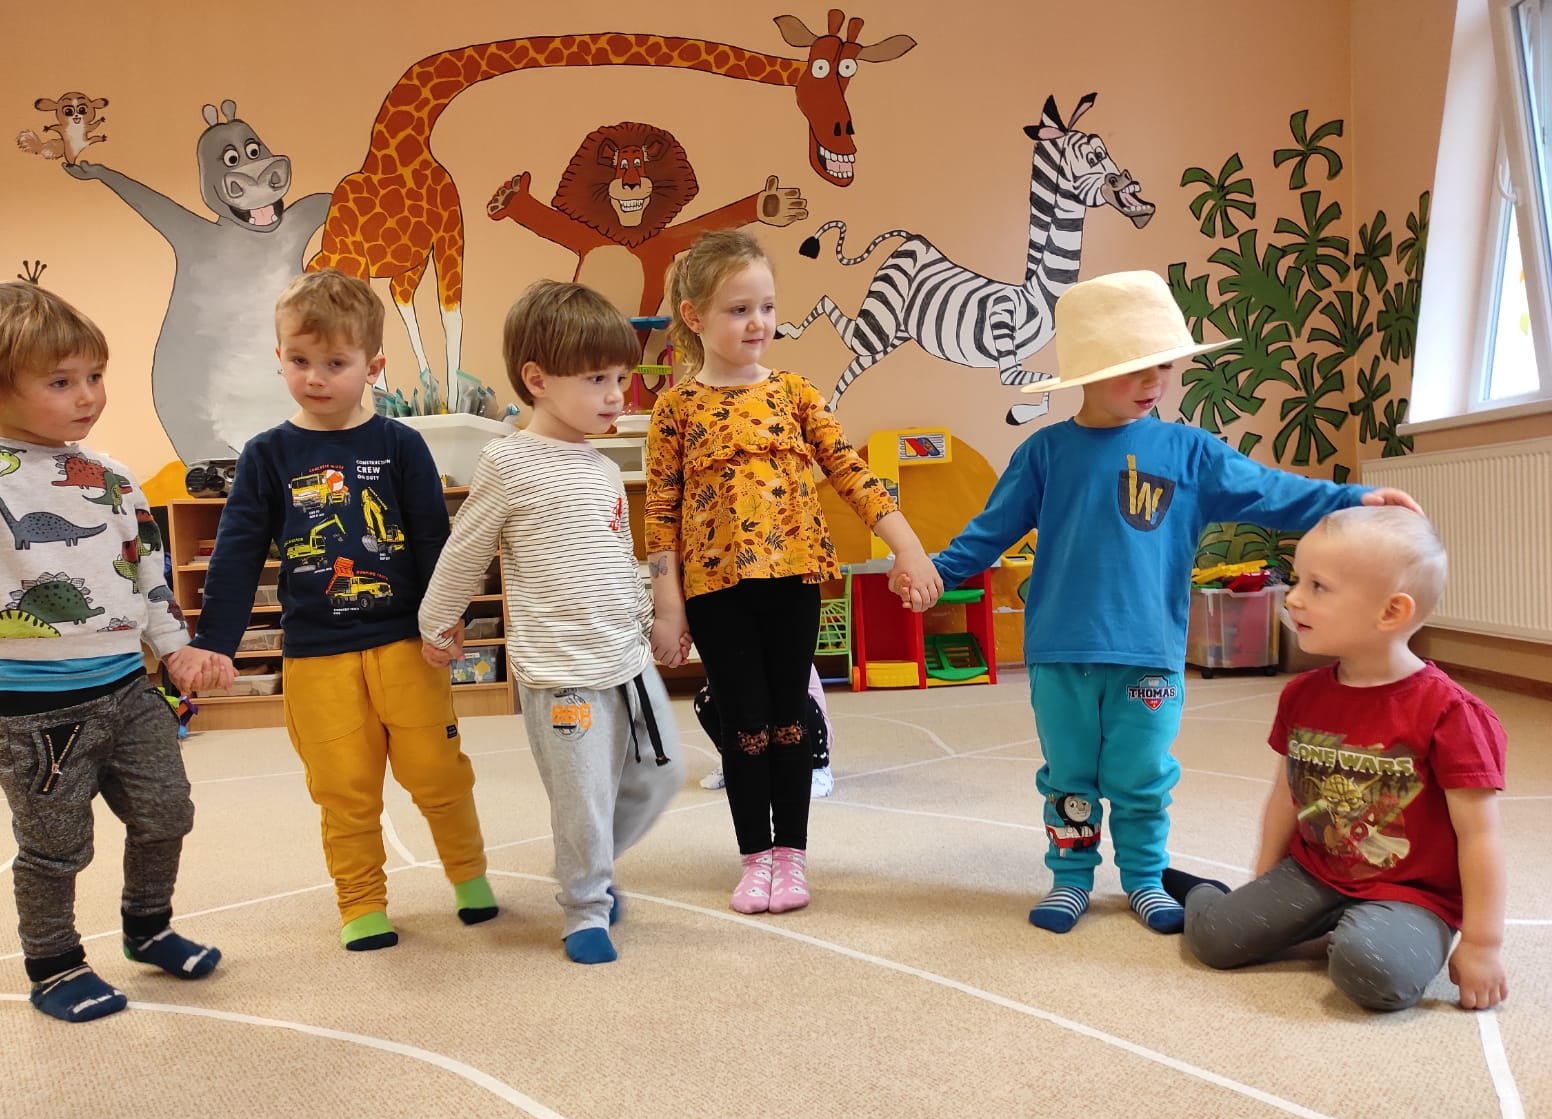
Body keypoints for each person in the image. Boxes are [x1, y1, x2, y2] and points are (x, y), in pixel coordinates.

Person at [919, 270, 1423, 935]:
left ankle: (1144, 879)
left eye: (1162, 364)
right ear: (1090, 373)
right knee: (1069, 775)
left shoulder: (1188, 451)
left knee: (1142, 775)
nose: (1154, 380)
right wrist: (934, 574)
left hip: (1150, 652)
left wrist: (1352, 498)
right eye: (1135, 367)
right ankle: (1070, 878)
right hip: (1061, 653)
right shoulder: (1044, 452)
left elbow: (1270, 491)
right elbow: (991, 531)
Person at [192, 269, 496, 952]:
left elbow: (433, 541)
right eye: (300, 361)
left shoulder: (400, 444)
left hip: (406, 644)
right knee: (343, 786)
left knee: (437, 771)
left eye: (336, 363)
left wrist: (445, 619)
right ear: (280, 357)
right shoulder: (266, 455)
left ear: (373, 366)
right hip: (316, 655)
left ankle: (469, 873)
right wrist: (215, 640)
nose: (316, 377)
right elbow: (237, 553)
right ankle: (361, 903)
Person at [0, 282, 230, 1022]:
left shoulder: (110, 475)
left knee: (167, 811)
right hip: (33, 705)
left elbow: (145, 571)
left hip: (128, 687)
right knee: (55, 846)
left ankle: (148, 927)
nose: (88, 396)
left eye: (95, 376)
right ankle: (54, 965)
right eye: (60, 381)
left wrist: (175, 650)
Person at [646, 229, 941, 915]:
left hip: (795, 579)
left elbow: (852, 473)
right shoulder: (677, 408)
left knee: (789, 719)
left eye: (767, 307)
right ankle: (755, 857)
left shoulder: (794, 392)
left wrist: (908, 547)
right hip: (717, 591)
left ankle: (792, 856)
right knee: (743, 724)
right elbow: (660, 515)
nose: (758, 323)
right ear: (694, 316)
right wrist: (668, 607)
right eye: (738, 309)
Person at [419, 280, 683, 965]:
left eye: (621, 378)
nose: (616, 395)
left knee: (660, 774)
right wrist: (438, 621)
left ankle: (585, 861)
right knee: (581, 797)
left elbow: (617, 557)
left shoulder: (601, 467)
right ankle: (586, 905)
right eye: (597, 379)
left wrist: (651, 618)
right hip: (561, 672)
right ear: (537, 380)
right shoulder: (507, 462)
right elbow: (465, 549)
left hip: (625, 658)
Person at [1165, 507, 1508, 1011]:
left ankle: (1352, 932)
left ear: (1390, 612)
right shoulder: (1302, 694)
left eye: (1318, 587)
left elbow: (1480, 836)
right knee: (1214, 941)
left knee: (1375, 973)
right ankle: (1205, 893)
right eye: (1297, 580)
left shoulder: (1452, 713)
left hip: (1411, 894)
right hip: (1313, 871)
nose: (1292, 597)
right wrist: (1262, 884)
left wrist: (1482, 943)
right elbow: (1286, 796)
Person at [696, 664, 835, 798]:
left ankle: (819, 766)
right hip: (760, 734)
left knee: (791, 696)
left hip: (800, 730)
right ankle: (733, 762)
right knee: (709, 699)